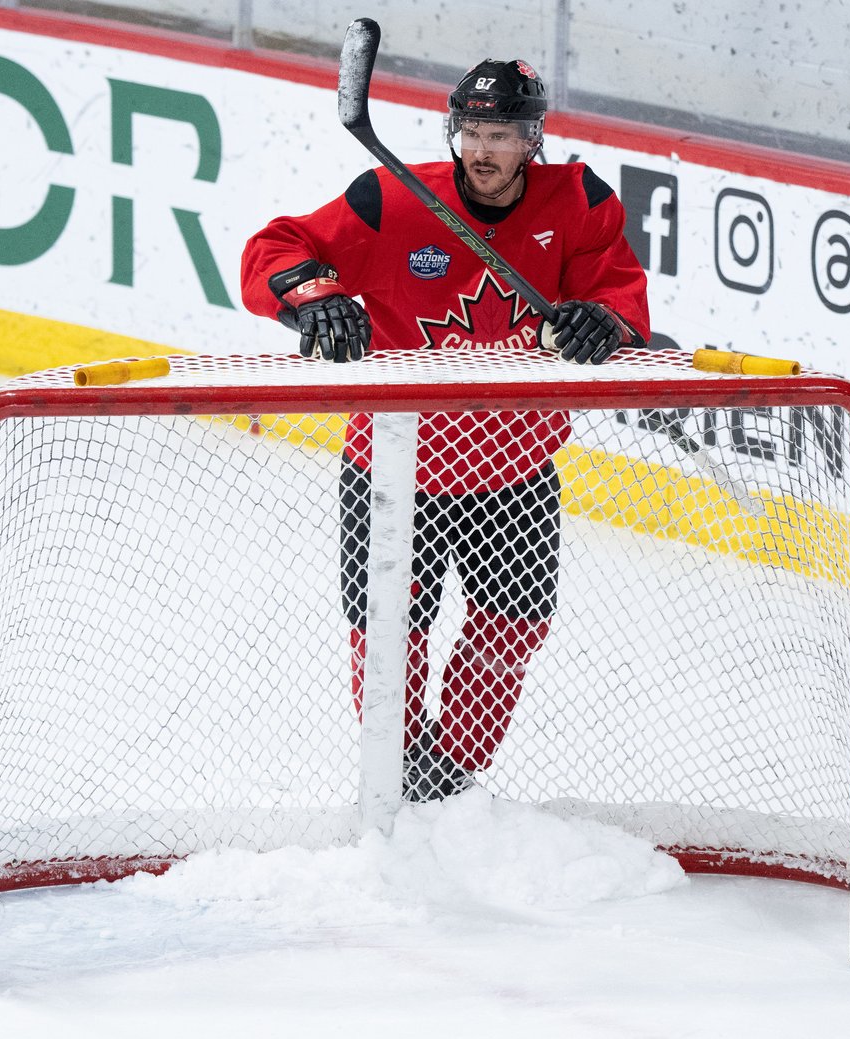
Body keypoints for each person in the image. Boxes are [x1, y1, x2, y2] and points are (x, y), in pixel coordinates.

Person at [240, 58, 650, 801]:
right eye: (471, 131)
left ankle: (451, 767)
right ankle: (392, 765)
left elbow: (616, 292)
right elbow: (275, 247)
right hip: (394, 471)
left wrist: (604, 319)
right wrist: (315, 299)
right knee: (389, 634)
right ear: (453, 131)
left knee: (515, 627)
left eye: (501, 134)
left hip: (516, 470)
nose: (483, 151)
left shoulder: (581, 201)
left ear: (533, 138)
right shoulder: (394, 200)